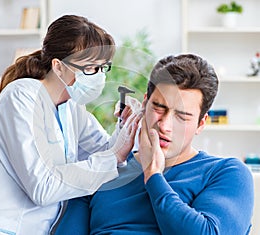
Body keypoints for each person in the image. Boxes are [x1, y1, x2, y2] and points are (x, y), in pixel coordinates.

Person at [0, 15, 142, 234]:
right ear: (58, 66)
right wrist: (114, 156)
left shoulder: (72, 107)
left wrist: (125, 125)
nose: (99, 77)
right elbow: (42, 187)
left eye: (104, 68)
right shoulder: (21, 97)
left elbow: (106, 154)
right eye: (91, 69)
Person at [55, 54, 254, 235]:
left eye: (182, 117)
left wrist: (153, 175)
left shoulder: (226, 172)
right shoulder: (103, 169)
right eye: (159, 108)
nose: (165, 126)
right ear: (144, 104)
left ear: (200, 124)